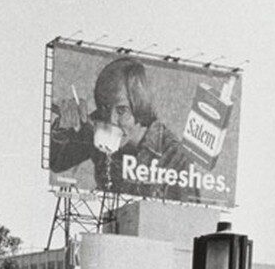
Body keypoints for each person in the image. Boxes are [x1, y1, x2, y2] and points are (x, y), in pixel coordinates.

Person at [49, 55, 199, 202]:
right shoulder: (100, 123)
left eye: (122, 111)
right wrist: (63, 126)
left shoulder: (175, 158)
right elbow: (56, 162)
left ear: (141, 107)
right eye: (105, 108)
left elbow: (188, 218)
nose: (111, 119)